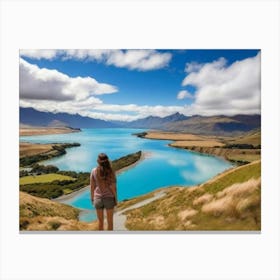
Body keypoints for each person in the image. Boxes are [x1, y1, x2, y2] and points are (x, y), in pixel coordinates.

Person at [90, 153, 117, 230]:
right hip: (109, 199)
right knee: (110, 222)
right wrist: (116, 199)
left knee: (100, 222)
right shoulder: (111, 171)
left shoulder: (93, 171)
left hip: (97, 199)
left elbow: (92, 186)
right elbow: (113, 187)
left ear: (98, 161)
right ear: (107, 160)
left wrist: (92, 199)